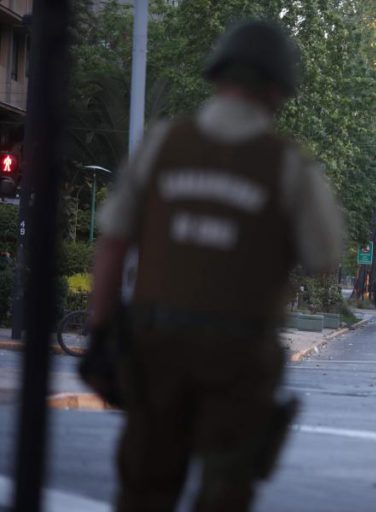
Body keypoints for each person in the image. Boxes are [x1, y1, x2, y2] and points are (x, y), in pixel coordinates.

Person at [83, 20, 343, 512]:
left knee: (143, 490)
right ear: (278, 88)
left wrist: (100, 334)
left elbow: (113, 242)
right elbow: (323, 255)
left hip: (154, 348)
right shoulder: (287, 165)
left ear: (218, 72)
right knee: (225, 494)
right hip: (238, 358)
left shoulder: (163, 144)